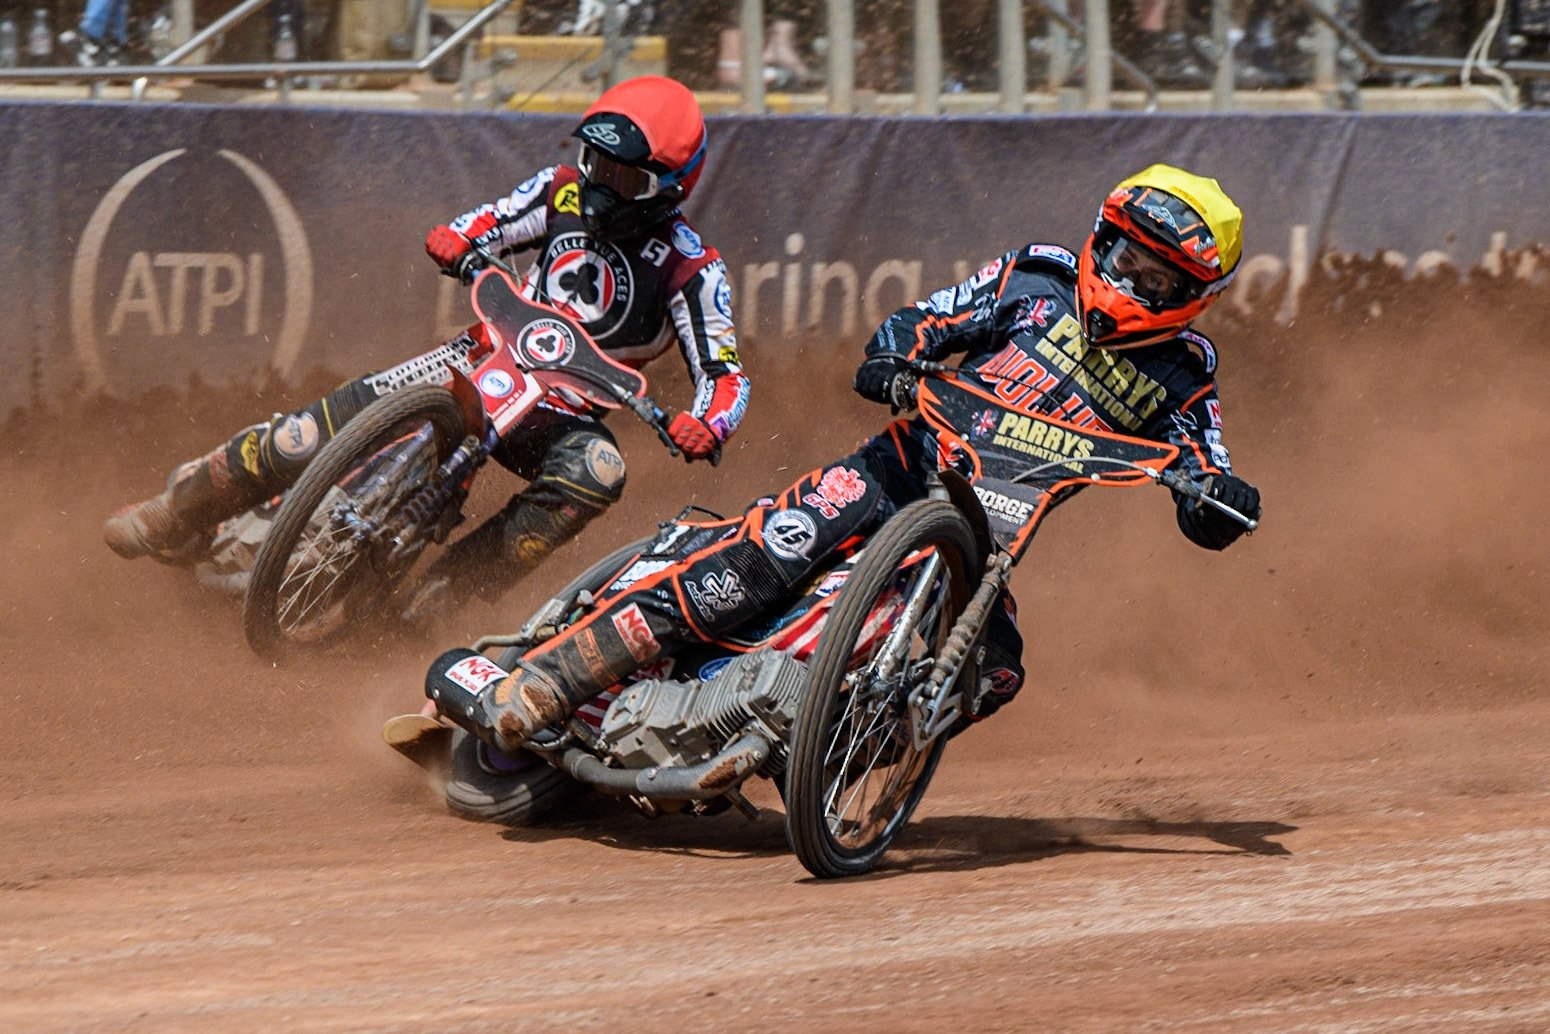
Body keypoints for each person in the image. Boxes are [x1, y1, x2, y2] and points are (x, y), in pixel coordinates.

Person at [435, 163, 1262, 753]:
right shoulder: (1036, 275)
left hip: (988, 538)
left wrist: (1216, 497)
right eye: (1124, 258)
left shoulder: (1185, 370)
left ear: (1192, 297)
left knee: (995, 673)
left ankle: (830, 753)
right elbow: (930, 317)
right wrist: (895, 356)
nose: (1130, 282)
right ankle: (546, 679)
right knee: (760, 558)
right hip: (895, 467)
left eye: (1157, 280)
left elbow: (1205, 461)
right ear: (1102, 238)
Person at [102, 75, 749, 623]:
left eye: (624, 178)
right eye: (596, 165)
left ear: (672, 186)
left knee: (599, 471)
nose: (601, 187)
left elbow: (725, 375)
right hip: (479, 359)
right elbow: (487, 223)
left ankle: (438, 602)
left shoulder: (693, 268)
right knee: (303, 437)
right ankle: (177, 510)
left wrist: (707, 423)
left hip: (562, 415)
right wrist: (457, 241)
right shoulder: (561, 190)